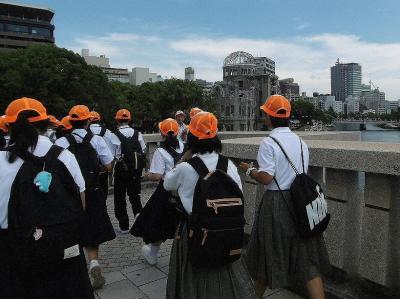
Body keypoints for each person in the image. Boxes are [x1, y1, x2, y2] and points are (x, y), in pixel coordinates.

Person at [0, 97, 94, 299]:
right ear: (45, 123)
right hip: (58, 244)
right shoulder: (63, 156)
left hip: (11, 248)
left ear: (8, 127)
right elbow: (80, 204)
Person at [239, 95, 330, 299]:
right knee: (308, 260)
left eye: (265, 113)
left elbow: (266, 178)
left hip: (276, 203)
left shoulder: (269, 142)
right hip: (301, 203)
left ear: (270, 117)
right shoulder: (301, 143)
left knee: (267, 253)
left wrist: (249, 170)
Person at [163, 112, 256, 299]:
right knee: (225, 273)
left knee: (193, 275)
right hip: (225, 230)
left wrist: (185, 156)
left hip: (193, 230)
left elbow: (167, 184)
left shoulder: (185, 168)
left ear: (191, 138)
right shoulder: (228, 165)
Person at [55, 105, 116, 290]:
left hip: (70, 193)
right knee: (92, 227)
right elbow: (109, 165)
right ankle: (94, 263)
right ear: (88, 120)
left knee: (72, 228)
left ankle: (76, 266)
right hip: (93, 190)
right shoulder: (96, 140)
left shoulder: (61, 142)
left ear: (70, 122)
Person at [136, 118, 184, 265]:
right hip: (184, 189)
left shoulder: (160, 151)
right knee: (182, 223)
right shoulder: (185, 146)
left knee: (157, 222)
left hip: (167, 191)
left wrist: (147, 175)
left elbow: (157, 176)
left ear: (161, 133)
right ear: (178, 132)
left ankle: (152, 254)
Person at [113, 109, 146, 233]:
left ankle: (124, 226)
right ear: (129, 119)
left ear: (117, 120)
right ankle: (139, 223)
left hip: (121, 169)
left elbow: (112, 154)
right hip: (135, 170)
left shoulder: (114, 134)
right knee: (135, 196)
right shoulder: (137, 134)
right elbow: (142, 149)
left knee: (120, 197)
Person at [89, 110, 120, 200]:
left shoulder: (85, 132)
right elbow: (115, 146)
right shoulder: (107, 132)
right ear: (99, 120)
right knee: (103, 192)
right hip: (104, 167)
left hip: (89, 168)